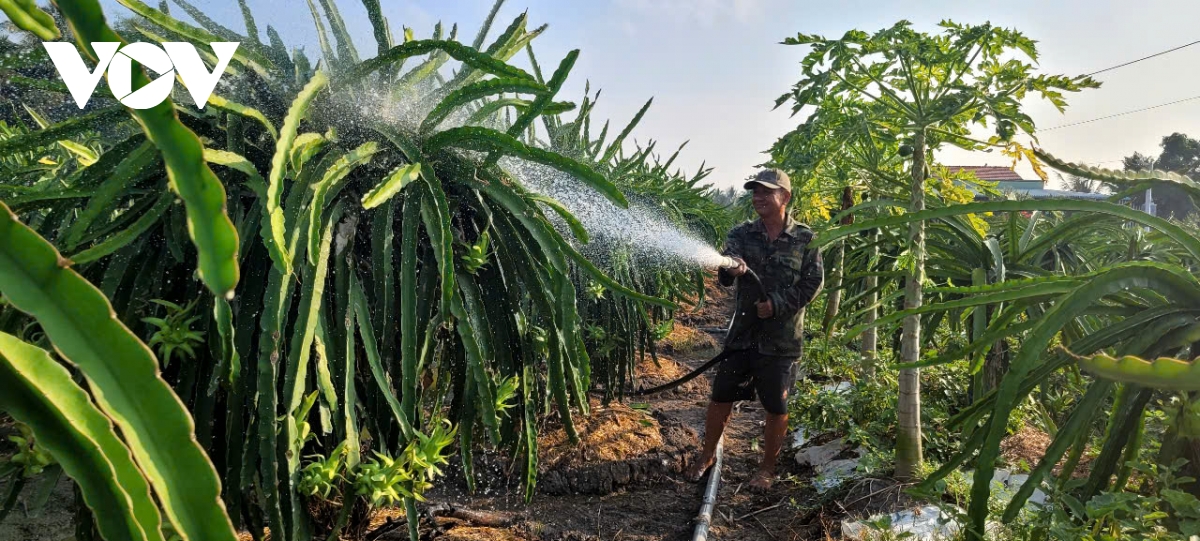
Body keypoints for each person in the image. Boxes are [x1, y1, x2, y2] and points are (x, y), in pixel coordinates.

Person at [685, 168, 824, 490]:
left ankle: (767, 468)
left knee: (776, 404)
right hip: (743, 333)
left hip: (781, 339)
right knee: (721, 396)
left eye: (766, 192)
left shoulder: (806, 239)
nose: (758, 198)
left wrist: (777, 304)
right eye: (754, 192)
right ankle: (707, 455)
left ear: (785, 197)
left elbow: (813, 283)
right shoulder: (742, 233)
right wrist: (731, 266)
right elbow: (727, 260)